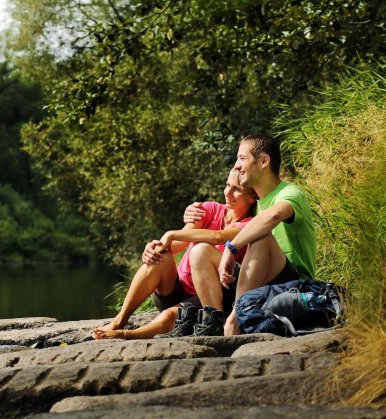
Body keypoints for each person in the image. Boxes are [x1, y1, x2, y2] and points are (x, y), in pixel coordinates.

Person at [92, 168, 257, 340]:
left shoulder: (249, 225)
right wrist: (156, 246)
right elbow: (178, 243)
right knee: (161, 255)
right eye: (227, 185)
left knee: (169, 316)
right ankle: (120, 320)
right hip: (174, 288)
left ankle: (126, 334)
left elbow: (217, 237)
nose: (228, 192)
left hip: (206, 298)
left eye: (236, 189)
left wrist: (171, 234)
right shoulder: (210, 209)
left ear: (253, 197)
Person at [184, 134, 316, 336]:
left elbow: (274, 215)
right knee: (201, 251)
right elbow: (223, 215)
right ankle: (213, 322)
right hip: (257, 281)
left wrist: (231, 247)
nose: (236, 166)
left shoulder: (290, 193)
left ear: (264, 161)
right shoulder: (253, 206)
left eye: (242, 158)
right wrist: (193, 211)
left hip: (292, 283)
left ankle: (234, 322)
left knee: (260, 237)